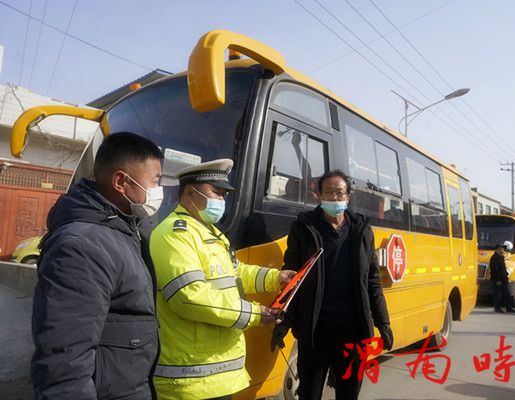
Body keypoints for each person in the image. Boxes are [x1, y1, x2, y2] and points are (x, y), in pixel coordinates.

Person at [149, 158, 296, 400]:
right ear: (189, 193)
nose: (222, 200)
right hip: (190, 379)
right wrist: (255, 314)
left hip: (216, 374)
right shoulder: (174, 235)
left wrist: (275, 278)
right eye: (216, 193)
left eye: (224, 195)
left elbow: (235, 274)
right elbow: (190, 297)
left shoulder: (211, 232)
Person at [31, 132, 163, 399]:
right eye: (155, 181)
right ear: (121, 182)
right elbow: (64, 366)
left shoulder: (123, 229)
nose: (159, 192)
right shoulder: (82, 246)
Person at [271, 169, 392, 400]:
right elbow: (292, 278)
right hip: (315, 332)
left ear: (348, 196)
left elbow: (373, 281)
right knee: (309, 394)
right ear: (319, 195)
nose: (334, 198)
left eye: (339, 193)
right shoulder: (304, 228)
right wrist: (283, 320)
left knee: (348, 395)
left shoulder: (362, 231)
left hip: (353, 332)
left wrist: (383, 322)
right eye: (328, 192)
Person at [490, 243, 515, 314]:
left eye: (502, 249)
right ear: (496, 250)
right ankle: (497, 308)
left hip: (504, 279)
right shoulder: (494, 258)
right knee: (498, 295)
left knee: (507, 294)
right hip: (498, 280)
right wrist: (498, 280)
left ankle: (509, 308)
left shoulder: (501, 257)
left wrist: (506, 274)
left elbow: (502, 269)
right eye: (500, 249)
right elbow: (494, 270)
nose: (501, 250)